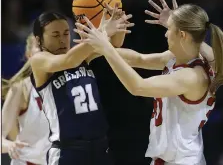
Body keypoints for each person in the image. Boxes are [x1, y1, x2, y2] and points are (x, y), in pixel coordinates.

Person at [73, 1, 223, 165]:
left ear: (183, 35)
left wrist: (106, 47)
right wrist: (95, 49)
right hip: (174, 159)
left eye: (169, 29)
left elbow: (138, 86)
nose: (165, 34)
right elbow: (138, 59)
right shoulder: (179, 60)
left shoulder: (190, 76)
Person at [29, 9, 133, 165]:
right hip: (68, 151)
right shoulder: (40, 60)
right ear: (39, 40)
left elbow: (114, 45)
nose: (63, 40)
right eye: (55, 35)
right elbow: (68, 61)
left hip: (100, 147)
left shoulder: (81, 54)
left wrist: (118, 23)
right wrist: (103, 31)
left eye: (66, 33)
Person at [2, 34, 51, 165]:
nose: (44, 50)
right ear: (28, 54)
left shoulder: (65, 85)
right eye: (39, 46)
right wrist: (10, 146)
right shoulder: (21, 88)